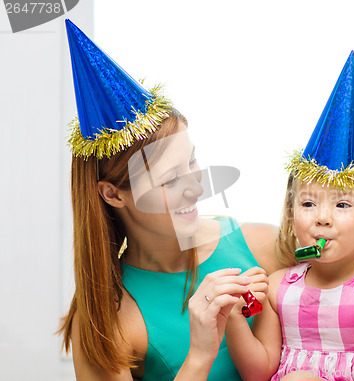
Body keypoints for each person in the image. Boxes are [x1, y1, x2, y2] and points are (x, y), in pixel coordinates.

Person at [58, 20, 279, 381]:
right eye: (170, 178)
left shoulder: (264, 246)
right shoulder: (106, 317)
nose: (194, 188)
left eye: (191, 162)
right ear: (113, 194)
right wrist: (200, 355)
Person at [225, 52, 354, 380]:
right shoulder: (277, 289)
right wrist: (232, 317)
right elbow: (258, 372)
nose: (323, 218)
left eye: (342, 205)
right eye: (308, 204)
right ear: (291, 217)